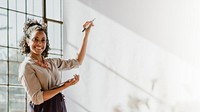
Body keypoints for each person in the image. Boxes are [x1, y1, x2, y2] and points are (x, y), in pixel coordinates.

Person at [18, 18, 94, 112]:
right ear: (27, 41)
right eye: (35, 39)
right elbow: (37, 98)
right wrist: (65, 86)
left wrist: (86, 34)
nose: (39, 43)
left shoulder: (51, 62)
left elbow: (77, 61)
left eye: (43, 40)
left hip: (58, 106)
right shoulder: (27, 66)